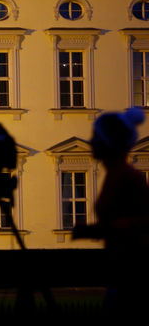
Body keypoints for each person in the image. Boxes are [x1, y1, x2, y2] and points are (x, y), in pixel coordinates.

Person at [73, 107, 149, 319]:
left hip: (133, 274)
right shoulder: (116, 175)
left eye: (96, 136)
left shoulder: (126, 177)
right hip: (123, 272)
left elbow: (142, 222)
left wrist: (98, 230)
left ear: (109, 142)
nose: (92, 141)